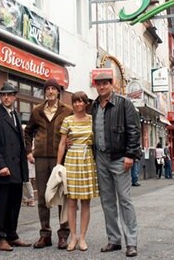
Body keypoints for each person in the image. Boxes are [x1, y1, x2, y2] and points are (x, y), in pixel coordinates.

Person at [91, 72, 141, 258]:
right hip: (101, 158)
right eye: (99, 84)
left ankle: (131, 242)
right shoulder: (94, 105)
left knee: (125, 199)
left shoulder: (123, 103)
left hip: (120, 157)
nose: (102, 87)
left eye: (105, 84)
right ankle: (114, 240)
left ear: (111, 85)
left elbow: (134, 130)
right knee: (107, 201)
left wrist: (130, 154)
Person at [24, 78, 73, 249]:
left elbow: (73, 131)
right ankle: (45, 235)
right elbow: (28, 131)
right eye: (48, 89)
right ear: (45, 92)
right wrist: (29, 151)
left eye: (54, 88)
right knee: (44, 197)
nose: (51, 91)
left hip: (62, 158)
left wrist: (71, 144)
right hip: (41, 158)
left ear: (59, 92)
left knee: (62, 196)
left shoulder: (67, 110)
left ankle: (63, 235)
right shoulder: (37, 110)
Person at [0, 82, 32, 251]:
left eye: (9, 94)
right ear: (0, 97)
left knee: (14, 204)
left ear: (14, 97)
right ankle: (1, 238)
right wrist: (1, 165)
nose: (6, 97)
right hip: (5, 169)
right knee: (2, 205)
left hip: (17, 168)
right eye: (3, 95)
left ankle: (12, 236)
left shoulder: (16, 115)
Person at [56, 91, 98, 252]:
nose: (78, 104)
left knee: (86, 201)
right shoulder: (67, 120)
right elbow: (61, 144)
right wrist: (58, 166)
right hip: (71, 160)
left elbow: (98, 140)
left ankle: (82, 237)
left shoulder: (92, 120)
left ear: (86, 103)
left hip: (87, 159)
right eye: (75, 101)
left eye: (81, 101)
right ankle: (73, 235)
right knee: (71, 201)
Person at [22, 125, 36, 207]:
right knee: (23, 182)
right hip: (22, 162)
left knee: (28, 181)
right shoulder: (20, 140)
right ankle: (25, 199)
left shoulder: (32, 140)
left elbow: (33, 150)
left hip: (29, 162)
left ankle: (31, 199)